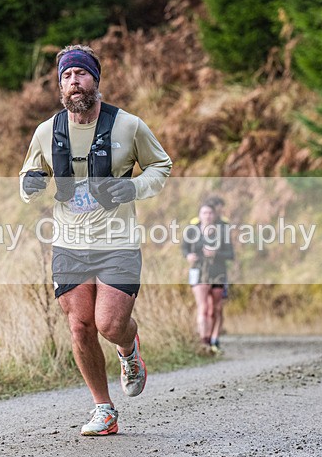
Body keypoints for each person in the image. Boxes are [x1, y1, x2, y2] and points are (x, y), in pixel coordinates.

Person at [19, 44, 172, 436]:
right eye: (67, 76)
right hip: (69, 242)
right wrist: (31, 184)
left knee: (109, 323)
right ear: (60, 85)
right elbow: (27, 181)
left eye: (81, 74)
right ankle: (103, 409)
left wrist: (134, 188)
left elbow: (161, 165)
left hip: (118, 240)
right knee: (80, 326)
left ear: (95, 80)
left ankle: (128, 347)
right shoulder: (46, 131)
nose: (74, 82)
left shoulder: (128, 125)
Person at [181, 197, 234, 354]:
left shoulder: (222, 231)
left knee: (215, 309)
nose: (207, 215)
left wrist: (216, 253)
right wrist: (188, 256)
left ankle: (214, 339)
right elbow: (184, 248)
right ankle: (203, 340)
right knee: (203, 307)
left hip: (218, 272)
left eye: (210, 213)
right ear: (200, 214)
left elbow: (231, 254)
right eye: (204, 212)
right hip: (198, 271)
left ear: (214, 215)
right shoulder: (192, 230)